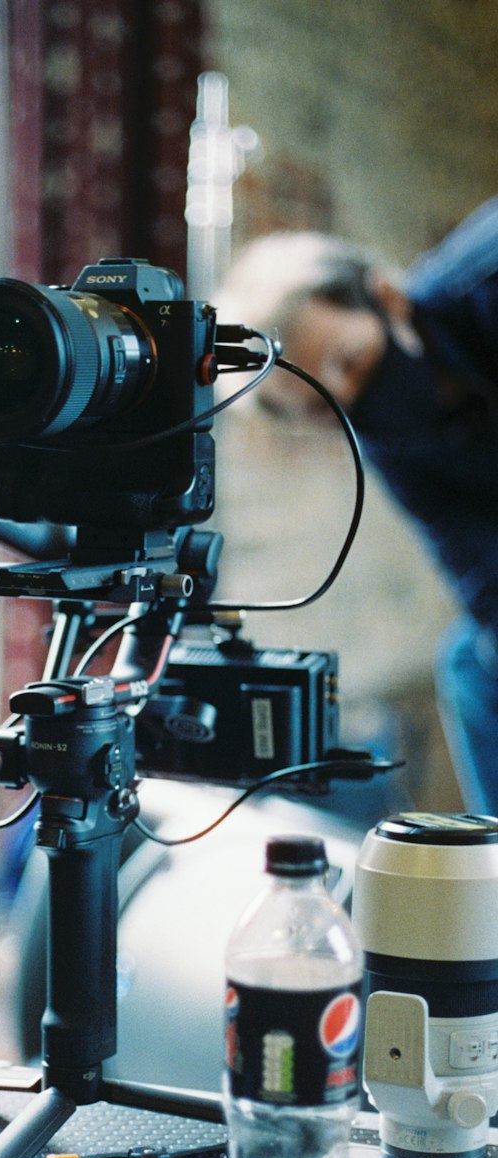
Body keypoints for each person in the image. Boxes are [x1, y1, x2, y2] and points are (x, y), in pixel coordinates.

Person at [220, 198, 498, 813]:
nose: (352, 396)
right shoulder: (391, 441)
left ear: (386, 298)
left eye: (350, 362)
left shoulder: (488, 280)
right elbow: (481, 576)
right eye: (325, 405)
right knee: (474, 665)